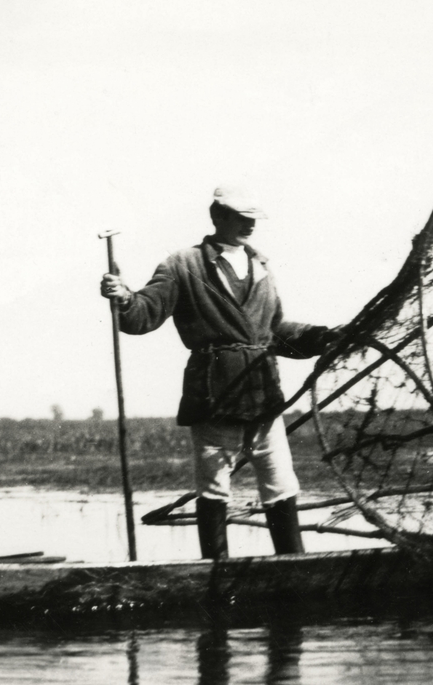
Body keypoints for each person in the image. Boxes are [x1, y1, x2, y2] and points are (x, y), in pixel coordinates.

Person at [99, 187, 336, 559]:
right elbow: (145, 313)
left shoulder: (262, 266)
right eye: (240, 217)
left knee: (280, 483)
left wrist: (324, 337)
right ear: (217, 216)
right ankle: (214, 572)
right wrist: (125, 297)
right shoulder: (183, 264)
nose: (249, 225)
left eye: (253, 217)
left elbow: (274, 331)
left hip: (263, 394)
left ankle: (293, 565)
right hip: (214, 392)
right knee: (213, 487)